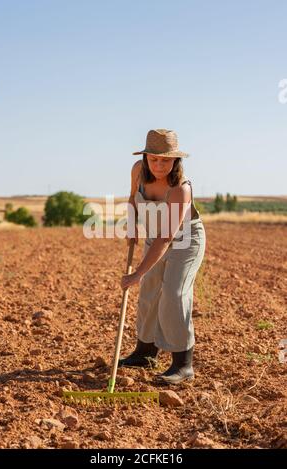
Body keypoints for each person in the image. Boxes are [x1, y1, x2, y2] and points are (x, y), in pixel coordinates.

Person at [120, 129, 206, 384]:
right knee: (149, 291)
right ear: (146, 157)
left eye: (165, 160)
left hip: (185, 241)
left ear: (176, 161)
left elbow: (167, 238)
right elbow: (131, 200)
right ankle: (145, 353)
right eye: (154, 158)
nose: (159, 165)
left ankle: (182, 364)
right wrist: (132, 223)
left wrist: (137, 272)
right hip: (154, 237)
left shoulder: (180, 188)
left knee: (173, 293)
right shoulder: (138, 170)